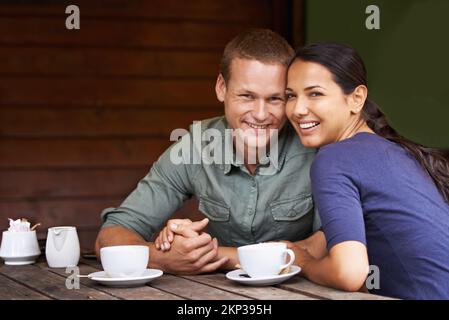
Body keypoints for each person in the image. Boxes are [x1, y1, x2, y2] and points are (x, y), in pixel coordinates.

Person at [95, 29, 323, 275]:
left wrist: (212, 255)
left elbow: (329, 245)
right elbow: (109, 237)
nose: (260, 114)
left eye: (275, 99)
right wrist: (164, 257)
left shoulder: (317, 148)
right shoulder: (195, 146)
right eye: (247, 96)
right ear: (221, 88)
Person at [282, 41, 449, 299]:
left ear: (356, 98)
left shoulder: (334, 159)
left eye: (315, 93)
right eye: (291, 95)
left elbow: (349, 272)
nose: (297, 109)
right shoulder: (394, 150)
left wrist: (303, 264)